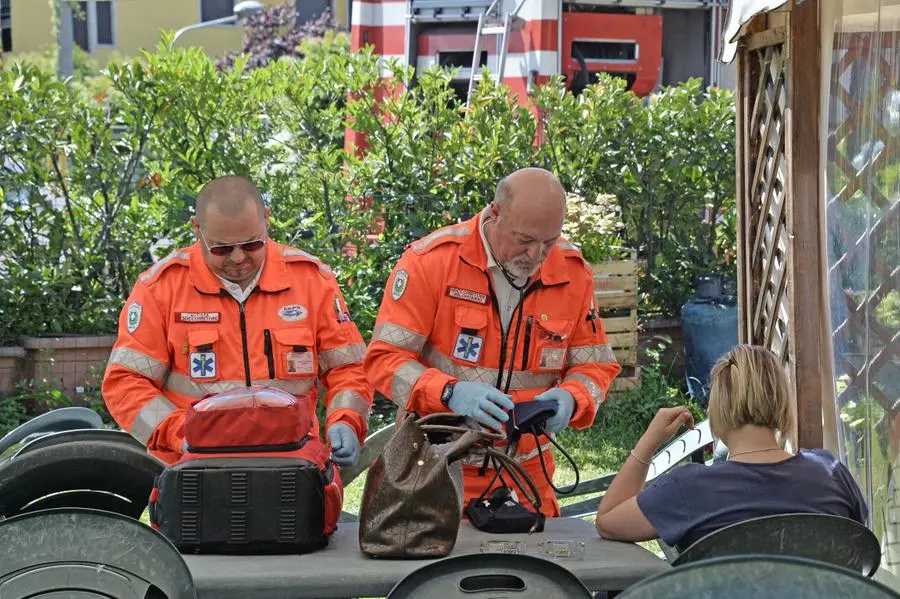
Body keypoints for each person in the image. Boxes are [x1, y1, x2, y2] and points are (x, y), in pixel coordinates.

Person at [364, 167, 622, 516]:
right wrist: (449, 393)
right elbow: (384, 359)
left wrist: (572, 398)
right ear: (495, 213)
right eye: (525, 240)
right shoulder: (432, 263)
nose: (536, 256)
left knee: (535, 573)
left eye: (549, 242)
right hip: (434, 472)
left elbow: (595, 365)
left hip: (527, 480)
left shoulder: (572, 272)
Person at [102, 175, 373, 466]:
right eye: (221, 249)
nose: (238, 257)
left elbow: (349, 368)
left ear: (267, 219)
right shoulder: (161, 289)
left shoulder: (310, 281)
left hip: (292, 462)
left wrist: (345, 420)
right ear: (197, 229)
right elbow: (125, 383)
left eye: (252, 244)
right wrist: (182, 434)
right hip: (194, 466)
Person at [595, 344, 868, 551]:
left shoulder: (688, 487)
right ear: (783, 402)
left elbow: (607, 521)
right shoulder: (831, 473)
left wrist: (648, 442)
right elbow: (859, 546)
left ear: (716, 410)